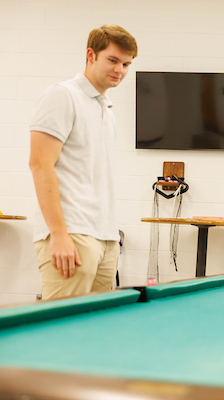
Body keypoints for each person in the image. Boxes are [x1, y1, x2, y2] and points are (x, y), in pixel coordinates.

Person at [29, 24, 138, 300]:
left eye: (126, 64)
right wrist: (59, 234)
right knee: (61, 332)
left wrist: (111, 239)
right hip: (72, 234)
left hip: (105, 238)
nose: (120, 70)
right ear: (91, 55)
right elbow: (40, 164)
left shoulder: (106, 108)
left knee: (95, 333)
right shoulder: (62, 95)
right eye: (112, 60)